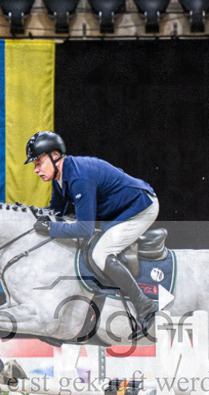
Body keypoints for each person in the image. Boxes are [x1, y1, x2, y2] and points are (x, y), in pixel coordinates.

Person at [26, 131, 159, 340]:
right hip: (119, 214)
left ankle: (145, 305)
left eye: (39, 162)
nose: (35, 169)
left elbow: (84, 228)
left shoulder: (79, 177)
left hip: (141, 209)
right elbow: (55, 212)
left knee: (101, 254)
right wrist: (30, 217)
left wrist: (50, 229)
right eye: (34, 164)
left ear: (55, 156)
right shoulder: (60, 178)